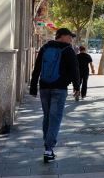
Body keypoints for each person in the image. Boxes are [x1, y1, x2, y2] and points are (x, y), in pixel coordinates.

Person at [30, 28, 80, 163]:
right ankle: (49, 148)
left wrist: (33, 87)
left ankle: (47, 145)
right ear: (63, 36)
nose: (71, 39)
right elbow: (75, 69)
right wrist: (76, 86)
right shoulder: (68, 50)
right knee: (55, 118)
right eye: (70, 36)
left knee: (47, 116)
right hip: (60, 88)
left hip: (44, 88)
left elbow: (37, 68)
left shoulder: (45, 47)